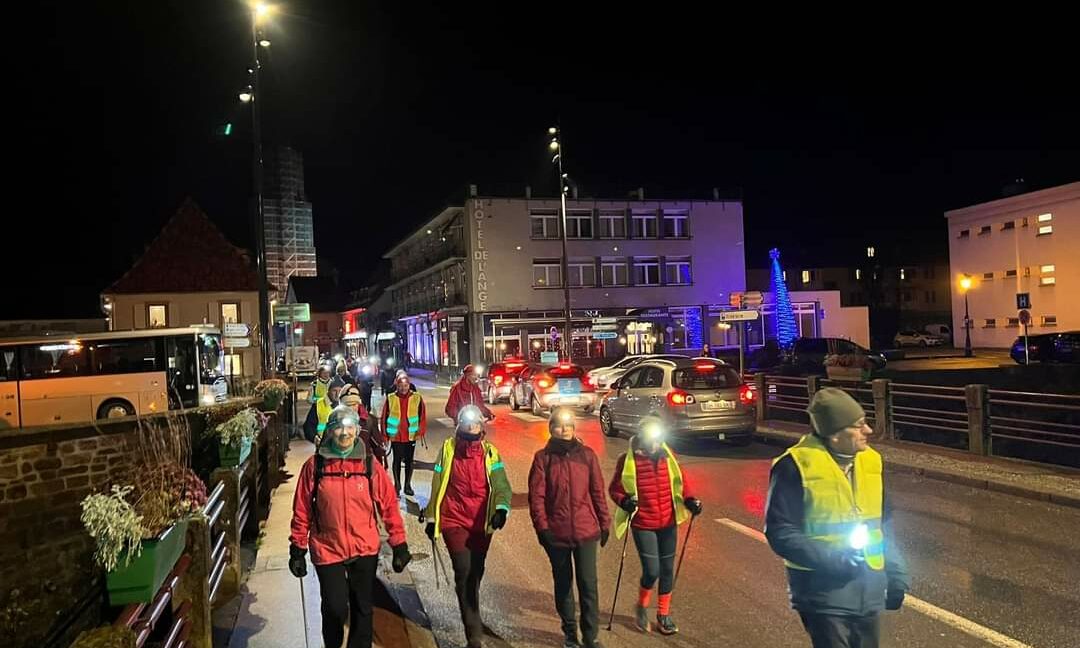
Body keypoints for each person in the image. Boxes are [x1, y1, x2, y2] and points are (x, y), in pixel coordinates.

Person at [764, 388, 909, 648]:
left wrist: (896, 571)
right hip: (822, 592)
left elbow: (882, 523)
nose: (868, 431)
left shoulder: (871, 461)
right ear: (834, 434)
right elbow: (780, 531)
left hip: (868, 587)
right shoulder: (795, 465)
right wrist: (833, 558)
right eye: (858, 425)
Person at [289, 405, 412, 648]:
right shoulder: (315, 466)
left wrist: (399, 543)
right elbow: (302, 508)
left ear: (357, 431)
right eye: (338, 428)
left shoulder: (369, 464)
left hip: (364, 546)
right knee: (334, 607)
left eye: (349, 428)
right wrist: (297, 547)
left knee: (362, 608)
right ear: (330, 431)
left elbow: (388, 504)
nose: (344, 433)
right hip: (327, 547)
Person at [424, 405, 511, 648]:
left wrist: (501, 509)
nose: (472, 426)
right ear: (459, 425)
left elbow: (501, 484)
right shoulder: (448, 449)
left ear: (481, 426)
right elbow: (438, 483)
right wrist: (432, 517)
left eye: (476, 423)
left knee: (476, 572)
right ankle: (474, 636)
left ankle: (471, 609)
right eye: (467, 422)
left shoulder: (490, 453)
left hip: (481, 523)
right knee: (464, 574)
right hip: (454, 519)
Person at [608, 419, 702, 636]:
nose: (655, 443)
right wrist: (624, 501)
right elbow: (615, 489)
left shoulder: (668, 457)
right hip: (643, 524)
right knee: (652, 571)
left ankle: (663, 614)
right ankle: (641, 606)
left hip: (668, 521)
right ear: (642, 437)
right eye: (651, 438)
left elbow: (681, 482)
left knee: (667, 569)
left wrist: (690, 500)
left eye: (658, 439)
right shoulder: (627, 460)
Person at [528, 408, 611, 648]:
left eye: (568, 425)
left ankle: (590, 636)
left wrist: (604, 522)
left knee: (588, 585)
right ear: (551, 428)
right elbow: (537, 498)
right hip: (557, 534)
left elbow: (597, 492)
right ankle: (570, 633)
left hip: (586, 532)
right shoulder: (543, 458)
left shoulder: (587, 456)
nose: (564, 430)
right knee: (563, 585)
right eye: (559, 425)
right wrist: (543, 529)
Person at [380, 370, 426, 495]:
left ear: (409, 385)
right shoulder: (391, 398)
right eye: (400, 386)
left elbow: (422, 415)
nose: (403, 388)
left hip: (411, 436)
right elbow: (384, 417)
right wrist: (384, 435)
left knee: (409, 461)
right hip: (396, 436)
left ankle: (407, 485)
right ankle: (397, 485)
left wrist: (421, 431)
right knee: (397, 460)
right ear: (397, 385)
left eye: (405, 386)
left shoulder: (417, 398)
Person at [339, 384, 387, 467]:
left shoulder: (369, 421)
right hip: (341, 467)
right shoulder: (334, 420)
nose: (351, 408)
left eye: (354, 404)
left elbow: (377, 446)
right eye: (347, 405)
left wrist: (382, 466)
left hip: (363, 467)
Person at [304, 380, 343, 446]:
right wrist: (314, 438)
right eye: (334, 391)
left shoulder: (346, 404)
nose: (337, 394)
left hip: (343, 442)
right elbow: (308, 426)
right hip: (323, 443)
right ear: (328, 391)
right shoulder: (318, 405)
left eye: (340, 391)